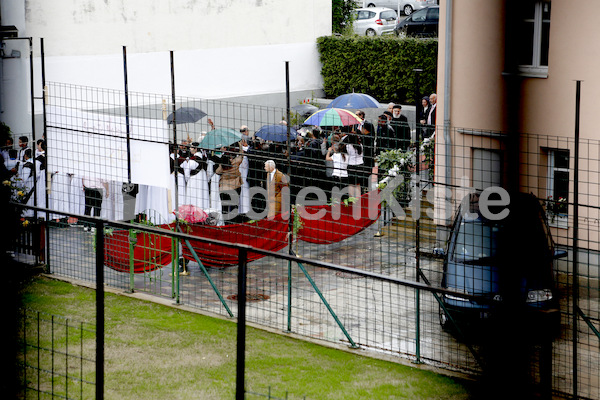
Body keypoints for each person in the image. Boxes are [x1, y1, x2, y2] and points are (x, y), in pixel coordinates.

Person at [216, 144, 243, 221]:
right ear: (230, 158)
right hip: (235, 187)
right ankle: (234, 221)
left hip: (224, 188)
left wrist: (221, 164)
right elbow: (241, 156)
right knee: (235, 206)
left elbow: (217, 172)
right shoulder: (236, 163)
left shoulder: (222, 166)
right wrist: (240, 147)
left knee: (224, 206)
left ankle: (226, 222)